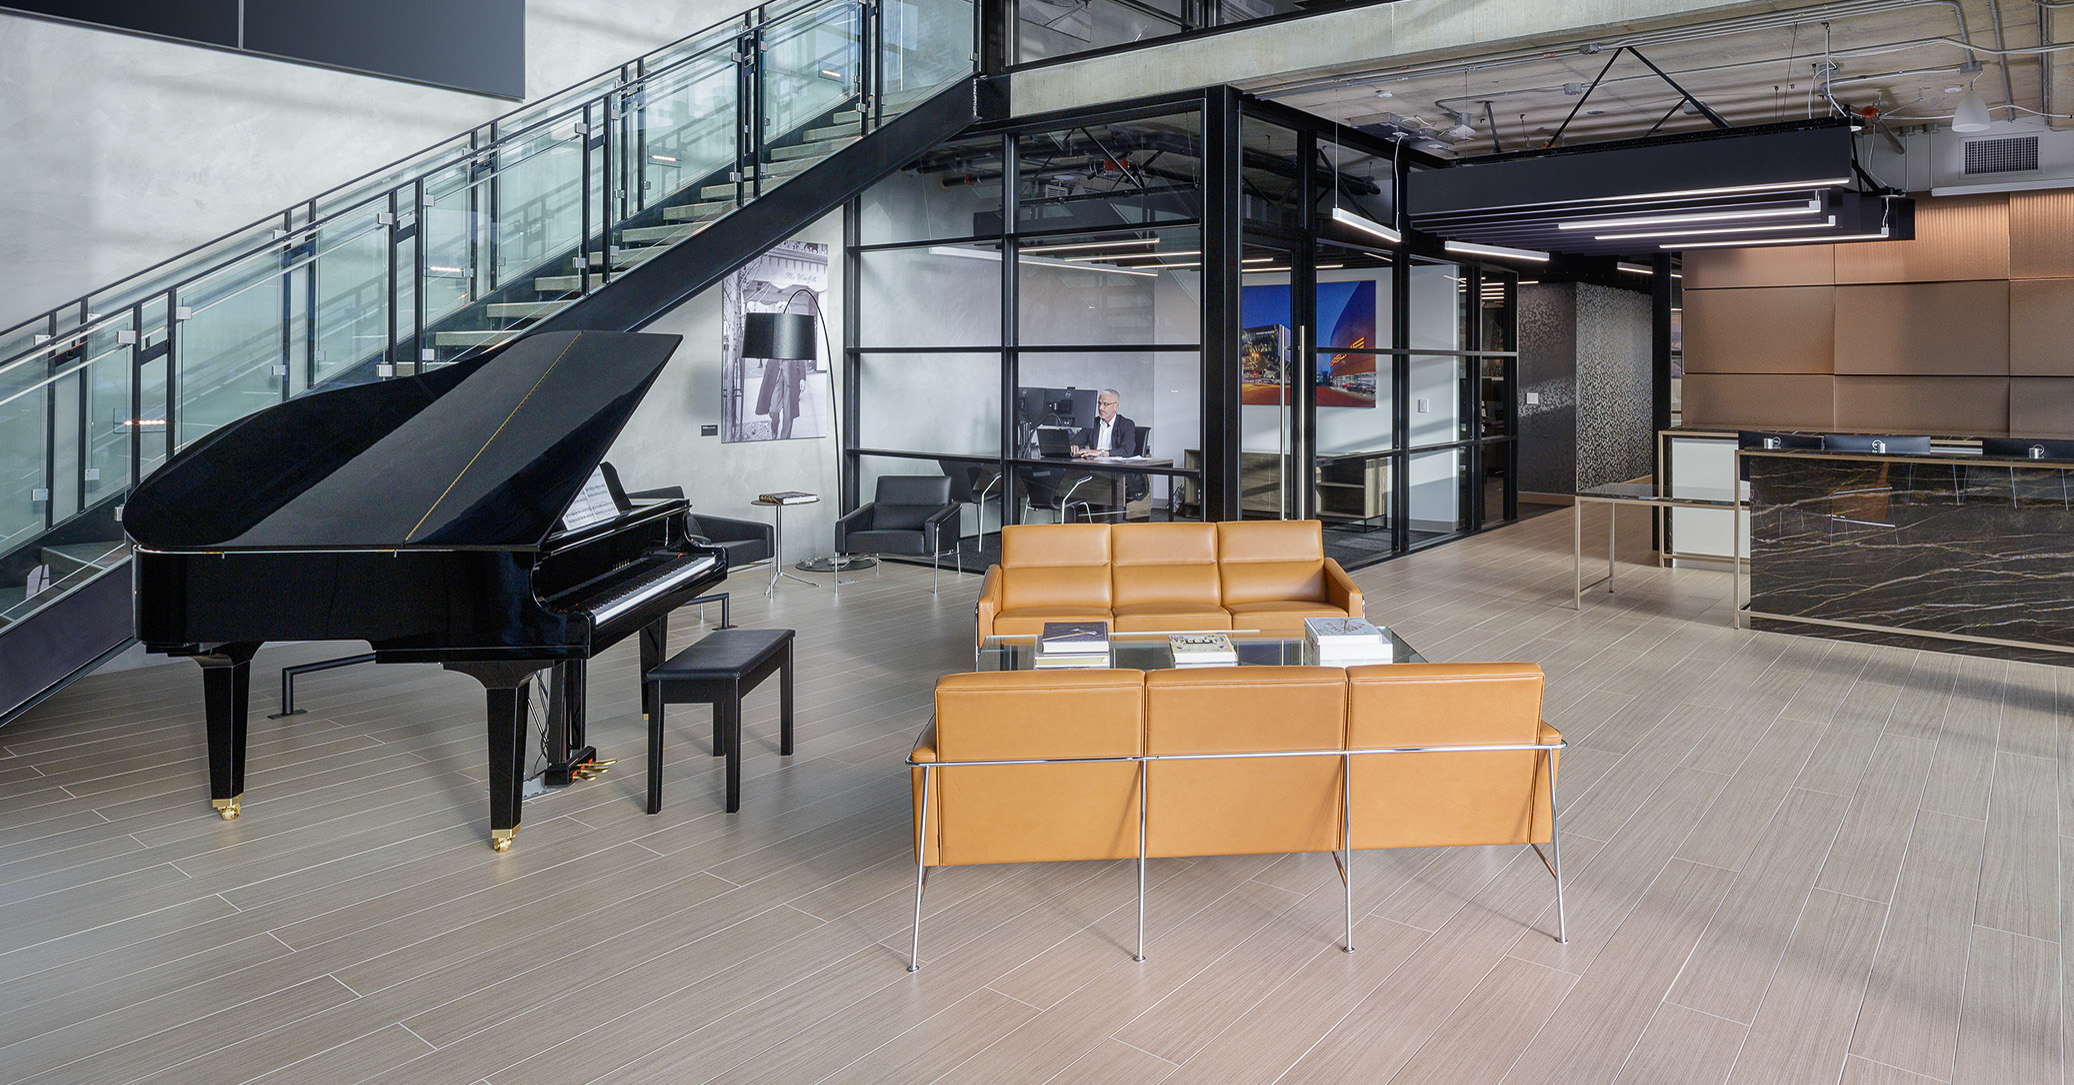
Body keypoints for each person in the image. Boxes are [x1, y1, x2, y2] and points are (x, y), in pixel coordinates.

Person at [1070, 390, 1138, 459]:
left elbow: (1127, 450)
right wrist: (1074, 447)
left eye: (1105, 404)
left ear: (1115, 406)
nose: (1100, 408)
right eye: (1099, 403)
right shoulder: (1092, 423)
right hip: (1093, 463)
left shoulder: (1126, 424)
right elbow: (1073, 443)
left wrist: (1101, 452)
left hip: (1115, 464)